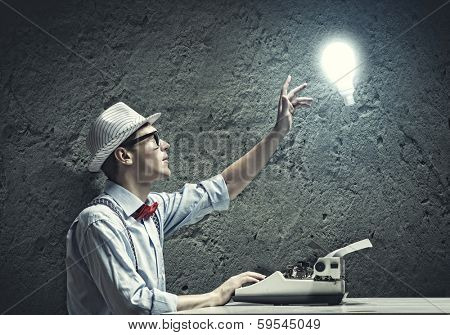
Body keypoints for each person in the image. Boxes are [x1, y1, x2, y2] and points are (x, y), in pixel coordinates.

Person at [66, 75, 312, 314]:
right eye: (154, 138)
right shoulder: (99, 221)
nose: (165, 145)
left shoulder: (155, 207)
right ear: (124, 156)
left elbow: (224, 186)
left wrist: (277, 132)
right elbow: (134, 305)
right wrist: (216, 296)